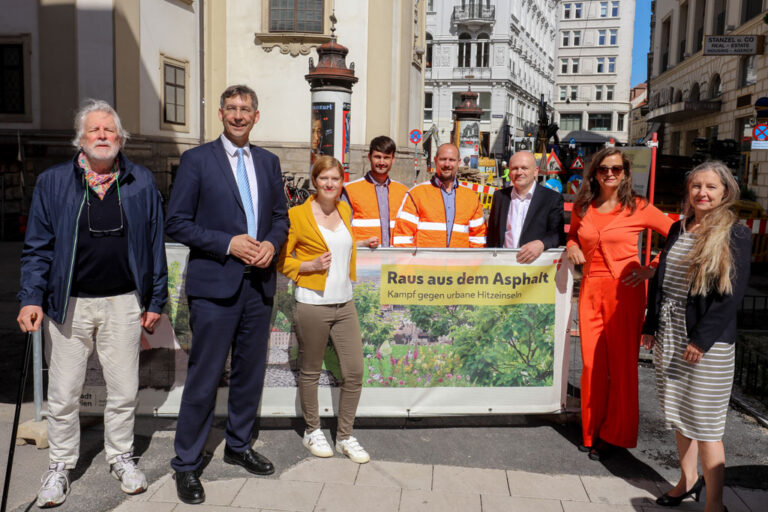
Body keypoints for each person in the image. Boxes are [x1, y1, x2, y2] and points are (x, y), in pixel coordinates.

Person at [17, 99, 167, 508]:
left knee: (123, 390)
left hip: (124, 303)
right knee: (63, 393)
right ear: (80, 139)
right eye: (94, 130)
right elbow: (37, 248)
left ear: (121, 138)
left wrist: (156, 298)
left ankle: (120, 456)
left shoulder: (140, 180)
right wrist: (31, 297)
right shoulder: (52, 183)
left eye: (109, 130)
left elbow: (155, 246)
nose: (103, 136)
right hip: (69, 304)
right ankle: (61, 465)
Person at [165, 84, 289, 505]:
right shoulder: (197, 160)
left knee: (250, 373)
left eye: (246, 109)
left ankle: (238, 446)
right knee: (205, 375)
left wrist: (272, 243)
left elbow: (279, 218)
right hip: (215, 286)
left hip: (259, 285)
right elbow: (176, 222)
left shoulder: (270, 162)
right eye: (231, 109)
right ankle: (186, 463)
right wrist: (227, 243)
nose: (238, 115)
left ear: (257, 115)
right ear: (220, 113)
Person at [642, 162, 750, 512]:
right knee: (678, 412)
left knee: (705, 424)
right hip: (670, 334)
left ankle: (714, 503)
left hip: (706, 344)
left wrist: (700, 340)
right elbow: (660, 282)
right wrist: (649, 325)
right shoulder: (679, 227)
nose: (702, 193)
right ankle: (686, 482)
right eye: (696, 186)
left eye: (711, 187)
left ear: (725, 192)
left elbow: (730, 297)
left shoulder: (736, 233)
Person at [566, 147, 673, 461]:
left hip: (625, 292)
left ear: (625, 173)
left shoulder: (638, 206)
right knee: (590, 365)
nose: (609, 173)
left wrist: (652, 267)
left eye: (616, 169)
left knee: (622, 366)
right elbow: (573, 235)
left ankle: (615, 434)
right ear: (595, 173)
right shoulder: (583, 206)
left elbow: (677, 234)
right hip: (589, 290)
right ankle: (590, 430)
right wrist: (572, 247)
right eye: (603, 169)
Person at [277, 155, 370, 464]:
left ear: (342, 182)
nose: (330, 184)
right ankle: (312, 430)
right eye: (324, 178)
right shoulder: (298, 214)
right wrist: (309, 265)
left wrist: (363, 242)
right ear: (314, 181)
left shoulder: (345, 209)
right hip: (312, 304)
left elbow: (344, 243)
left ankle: (345, 435)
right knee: (310, 371)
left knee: (354, 372)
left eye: (336, 179)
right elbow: (282, 261)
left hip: (345, 303)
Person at [392, 143, 486, 247]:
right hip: (424, 262)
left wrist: (471, 262)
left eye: (452, 160)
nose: (447, 164)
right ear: (435, 160)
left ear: (458, 162)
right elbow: (402, 237)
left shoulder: (470, 197)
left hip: (459, 263)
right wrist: (414, 262)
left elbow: (478, 238)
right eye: (443, 159)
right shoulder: (416, 194)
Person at [486, 151, 565, 261]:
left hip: (534, 268)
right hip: (503, 264)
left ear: (535, 171)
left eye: (524, 168)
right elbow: (492, 234)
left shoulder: (551, 198)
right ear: (509, 172)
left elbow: (558, 234)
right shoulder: (500, 197)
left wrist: (541, 244)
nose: (519, 172)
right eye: (514, 168)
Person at [342, 136, 408, 248]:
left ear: (393, 159)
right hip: (363, 258)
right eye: (377, 157)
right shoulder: (350, 190)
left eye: (386, 158)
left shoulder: (403, 191)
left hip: (394, 258)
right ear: (369, 157)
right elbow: (342, 230)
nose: (381, 162)